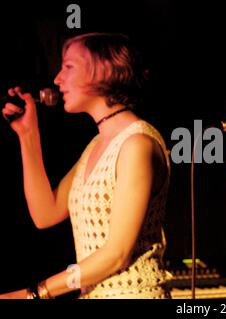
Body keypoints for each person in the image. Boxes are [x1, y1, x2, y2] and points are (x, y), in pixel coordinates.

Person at [0, 33, 171, 299]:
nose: (57, 79)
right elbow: (45, 213)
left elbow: (117, 254)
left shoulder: (137, 143)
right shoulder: (96, 145)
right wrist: (28, 135)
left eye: (68, 67)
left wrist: (36, 293)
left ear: (103, 70)